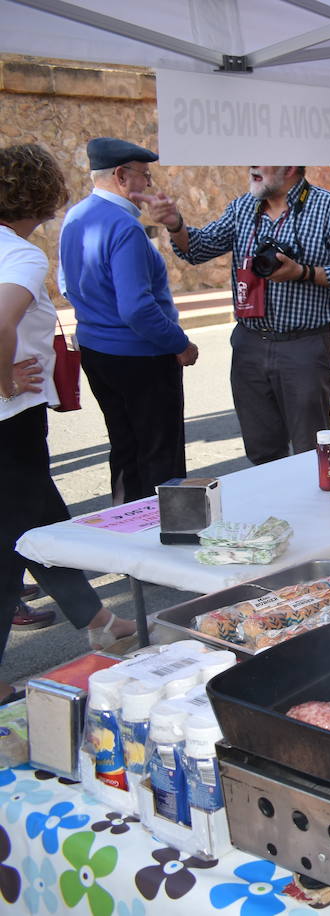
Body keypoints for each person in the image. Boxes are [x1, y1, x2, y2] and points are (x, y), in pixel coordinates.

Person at [1, 143, 140, 699]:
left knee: (38, 521)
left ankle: (98, 620)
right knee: (20, 536)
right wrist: (5, 378)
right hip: (10, 420)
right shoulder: (21, 255)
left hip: (14, 422)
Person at [144, 167, 330, 465]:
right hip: (249, 344)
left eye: (261, 160)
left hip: (304, 346)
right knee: (261, 449)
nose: (252, 167)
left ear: (288, 166)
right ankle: (274, 511)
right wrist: (176, 225)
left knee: (310, 449)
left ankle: (311, 509)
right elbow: (198, 249)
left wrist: (303, 272)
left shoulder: (328, 207)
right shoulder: (243, 207)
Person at [58, 138, 198, 505]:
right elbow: (137, 309)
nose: (149, 184)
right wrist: (179, 343)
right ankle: (162, 541)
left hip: (97, 350)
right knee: (159, 457)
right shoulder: (125, 227)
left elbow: (65, 285)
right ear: (121, 175)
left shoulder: (75, 216)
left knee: (124, 449)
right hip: (140, 357)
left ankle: (126, 533)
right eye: (143, 175)